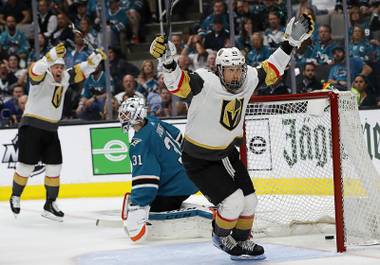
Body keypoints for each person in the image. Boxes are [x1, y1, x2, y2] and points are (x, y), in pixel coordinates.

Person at [150, 14, 313, 260]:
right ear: (219, 70)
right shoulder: (204, 82)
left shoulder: (248, 78)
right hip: (198, 159)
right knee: (233, 202)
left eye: (238, 70)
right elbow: (177, 85)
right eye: (230, 71)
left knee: (250, 201)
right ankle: (220, 235)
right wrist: (168, 61)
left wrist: (291, 43)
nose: (235, 76)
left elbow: (271, 69)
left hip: (226, 154)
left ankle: (242, 240)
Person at [9, 43, 106, 221]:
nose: (59, 70)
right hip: (32, 127)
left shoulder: (65, 77)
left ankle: (50, 203)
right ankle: (15, 196)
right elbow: (35, 69)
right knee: (26, 166)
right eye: (56, 67)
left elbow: (82, 70)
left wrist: (95, 59)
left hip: (51, 129)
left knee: (55, 167)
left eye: (61, 67)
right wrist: (48, 57)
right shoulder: (41, 76)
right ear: (50, 67)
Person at [118, 97, 198, 242]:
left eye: (128, 114)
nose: (123, 117)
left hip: (174, 189)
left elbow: (147, 181)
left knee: (147, 205)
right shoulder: (154, 122)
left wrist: (137, 207)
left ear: (137, 114)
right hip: (190, 177)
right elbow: (178, 136)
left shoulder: (140, 143)